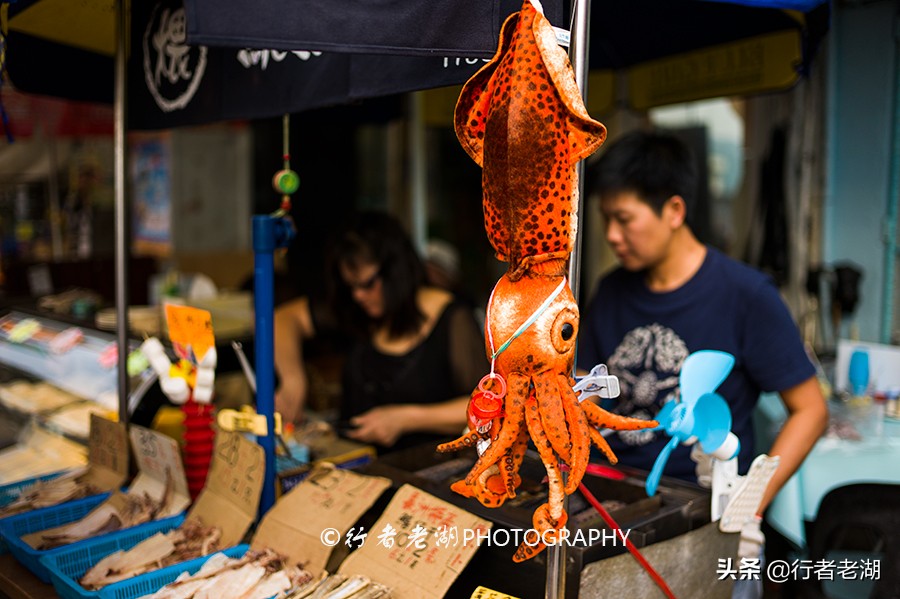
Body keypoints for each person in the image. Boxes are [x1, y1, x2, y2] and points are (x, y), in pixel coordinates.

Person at [576, 130, 827, 557]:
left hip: (702, 506)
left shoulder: (747, 295)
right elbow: (586, 381)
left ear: (674, 210)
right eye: (605, 219)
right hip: (610, 495)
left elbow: (811, 410)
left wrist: (750, 501)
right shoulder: (610, 290)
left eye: (624, 218)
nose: (612, 235)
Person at [274, 211, 488, 452]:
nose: (358, 296)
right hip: (355, 460)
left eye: (367, 284)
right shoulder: (358, 310)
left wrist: (406, 419)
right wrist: (292, 379)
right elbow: (284, 319)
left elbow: (486, 404)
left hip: (426, 467)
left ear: (395, 272)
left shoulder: (452, 318)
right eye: (351, 286)